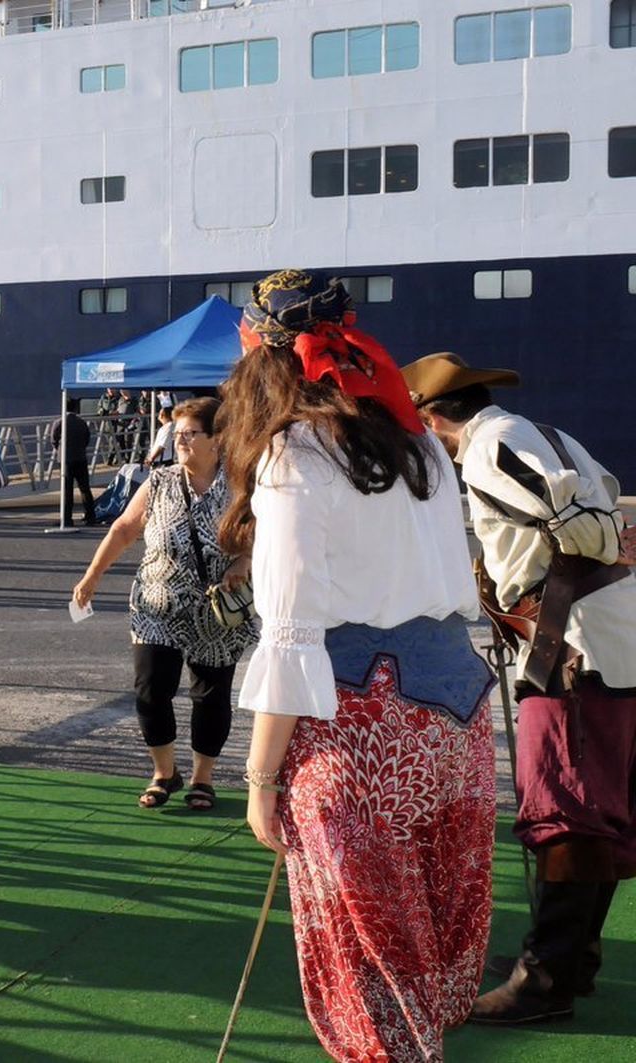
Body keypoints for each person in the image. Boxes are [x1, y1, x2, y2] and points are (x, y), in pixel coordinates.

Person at [227, 271, 496, 1060]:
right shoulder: (422, 447)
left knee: (371, 980)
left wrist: (261, 778)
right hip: (456, 724)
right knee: (434, 964)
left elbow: (291, 628)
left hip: (358, 737)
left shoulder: (293, 453)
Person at [401, 352, 636, 1026]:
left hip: (575, 643)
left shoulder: (492, 447)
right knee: (598, 807)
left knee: (568, 812)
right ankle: (571, 958)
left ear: (433, 417)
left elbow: (583, 529)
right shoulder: (545, 431)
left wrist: (533, 580)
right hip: (603, 636)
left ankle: (546, 978)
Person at [71, 397, 256, 810]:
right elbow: (123, 529)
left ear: (218, 438)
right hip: (158, 601)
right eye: (177, 434)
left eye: (191, 433)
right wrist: (92, 575)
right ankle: (164, 772)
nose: (182, 441)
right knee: (151, 688)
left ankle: (202, 779)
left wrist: (243, 561)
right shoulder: (158, 482)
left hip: (216, 607)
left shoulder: (242, 484)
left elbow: (264, 536)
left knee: (211, 693)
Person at [50, 398, 97, 527]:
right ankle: (90, 516)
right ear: (76, 408)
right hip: (81, 458)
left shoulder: (59, 422)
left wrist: (59, 449)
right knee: (85, 488)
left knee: (67, 489)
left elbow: (53, 439)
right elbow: (87, 439)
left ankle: (67, 518)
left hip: (65, 460)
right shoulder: (82, 422)